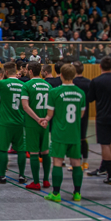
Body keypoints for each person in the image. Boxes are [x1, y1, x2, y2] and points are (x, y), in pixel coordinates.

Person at [43, 64, 87, 203]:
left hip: (59, 133)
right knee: (76, 163)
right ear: (74, 75)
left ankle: (56, 193)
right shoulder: (81, 93)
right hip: (74, 133)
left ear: (60, 75)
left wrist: (45, 120)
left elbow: (50, 114)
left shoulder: (54, 92)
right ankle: (77, 193)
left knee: (57, 162)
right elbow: (81, 114)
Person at [86, 57, 111, 184]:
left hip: (103, 116)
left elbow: (90, 98)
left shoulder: (96, 81)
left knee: (105, 145)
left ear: (100, 66)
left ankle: (110, 175)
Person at [0, 62, 27, 183]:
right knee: (21, 149)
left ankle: (1, 176)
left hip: (5, 122)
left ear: (5, 72)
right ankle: (22, 175)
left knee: (2, 149)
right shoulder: (23, 84)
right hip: (20, 121)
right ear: (15, 70)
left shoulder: (2, 83)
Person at [20, 62, 52, 190]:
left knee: (33, 152)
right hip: (45, 122)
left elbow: (25, 106)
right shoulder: (48, 85)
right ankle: (46, 180)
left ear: (31, 71)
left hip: (33, 122)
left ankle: (36, 182)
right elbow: (51, 106)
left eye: (27, 69)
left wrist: (37, 119)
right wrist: (45, 119)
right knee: (45, 151)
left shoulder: (27, 85)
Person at [72, 62, 92, 170]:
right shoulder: (88, 82)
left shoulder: (72, 82)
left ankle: (76, 161)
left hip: (72, 114)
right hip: (85, 112)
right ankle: (85, 162)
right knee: (83, 137)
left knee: (75, 138)